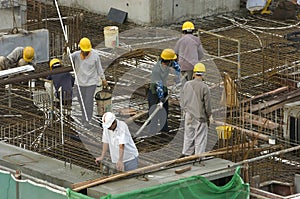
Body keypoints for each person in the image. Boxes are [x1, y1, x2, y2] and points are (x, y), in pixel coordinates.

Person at [70, 37, 108, 127]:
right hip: (79, 83)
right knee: (81, 101)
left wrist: (103, 79)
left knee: (88, 101)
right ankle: (84, 116)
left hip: (91, 83)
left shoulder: (95, 56)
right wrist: (66, 52)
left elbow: (99, 68)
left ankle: (87, 119)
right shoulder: (76, 55)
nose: (86, 52)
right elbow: (68, 60)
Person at [180, 62, 212, 157]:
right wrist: (209, 115)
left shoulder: (187, 84)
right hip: (200, 117)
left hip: (188, 115)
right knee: (200, 138)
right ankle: (199, 157)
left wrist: (184, 110)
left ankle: (186, 155)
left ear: (194, 74)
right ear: (203, 74)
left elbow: (182, 99)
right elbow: (207, 105)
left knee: (188, 136)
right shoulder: (205, 87)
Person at [147, 48, 180, 135]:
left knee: (164, 111)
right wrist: (161, 99)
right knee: (154, 113)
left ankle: (164, 129)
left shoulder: (170, 63)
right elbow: (158, 85)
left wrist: (177, 77)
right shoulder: (156, 70)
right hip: (154, 92)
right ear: (167, 61)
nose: (172, 62)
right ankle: (152, 132)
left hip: (163, 89)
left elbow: (177, 67)